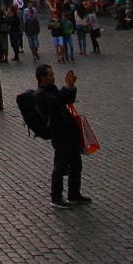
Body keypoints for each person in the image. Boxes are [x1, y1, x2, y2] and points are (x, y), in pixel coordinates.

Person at [33, 64, 89, 208]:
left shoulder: (52, 89)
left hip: (69, 131)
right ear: (42, 78)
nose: (53, 77)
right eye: (50, 75)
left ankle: (74, 194)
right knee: (60, 166)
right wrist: (65, 88)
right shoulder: (40, 95)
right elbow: (56, 102)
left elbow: (66, 100)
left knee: (76, 165)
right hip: (59, 134)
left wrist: (71, 87)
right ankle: (56, 197)